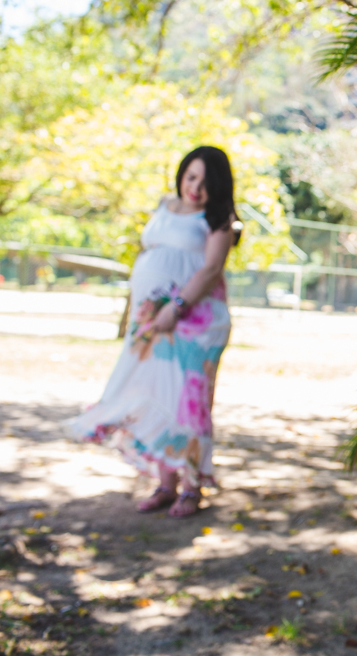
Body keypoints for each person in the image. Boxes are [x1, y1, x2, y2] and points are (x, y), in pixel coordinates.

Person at [70, 146, 238, 517]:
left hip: (194, 322)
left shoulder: (220, 219)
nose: (195, 187)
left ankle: (192, 487)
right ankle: (165, 484)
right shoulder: (165, 205)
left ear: (219, 186)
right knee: (154, 392)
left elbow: (210, 270)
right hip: (151, 322)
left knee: (188, 402)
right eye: (191, 177)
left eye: (206, 182)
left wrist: (175, 308)